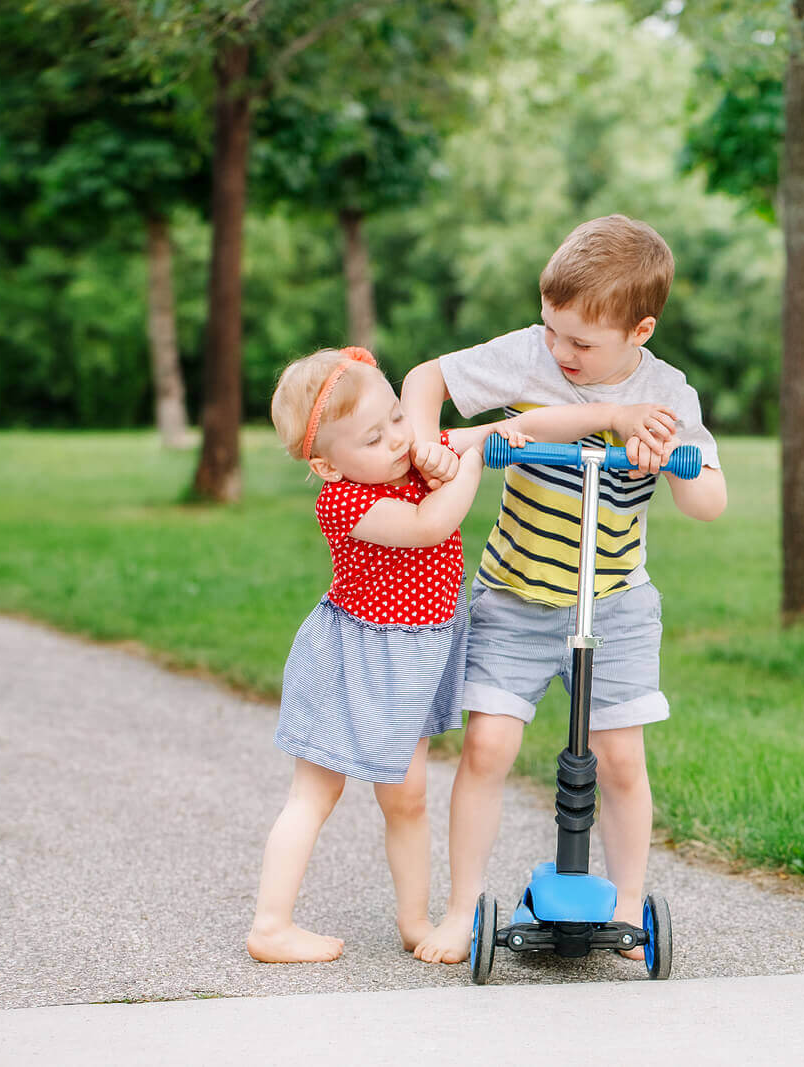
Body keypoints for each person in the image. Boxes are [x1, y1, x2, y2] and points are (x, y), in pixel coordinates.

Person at [399, 214, 728, 965]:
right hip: (514, 594)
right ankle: (460, 910)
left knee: (619, 758)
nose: (561, 351)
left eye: (582, 343)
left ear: (640, 330)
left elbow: (710, 499)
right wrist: (425, 437)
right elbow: (428, 379)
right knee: (487, 745)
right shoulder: (527, 357)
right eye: (553, 330)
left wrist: (670, 458)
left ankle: (623, 905)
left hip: (614, 602)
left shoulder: (666, 391)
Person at [247, 344, 523, 964]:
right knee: (315, 793)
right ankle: (271, 925)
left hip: (412, 660)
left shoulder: (409, 454)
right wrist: (470, 466)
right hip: (358, 656)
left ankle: (413, 922)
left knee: (407, 797)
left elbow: (500, 429)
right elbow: (430, 525)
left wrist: (606, 413)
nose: (398, 439)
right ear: (326, 465)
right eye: (374, 438)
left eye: (398, 417)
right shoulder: (345, 502)